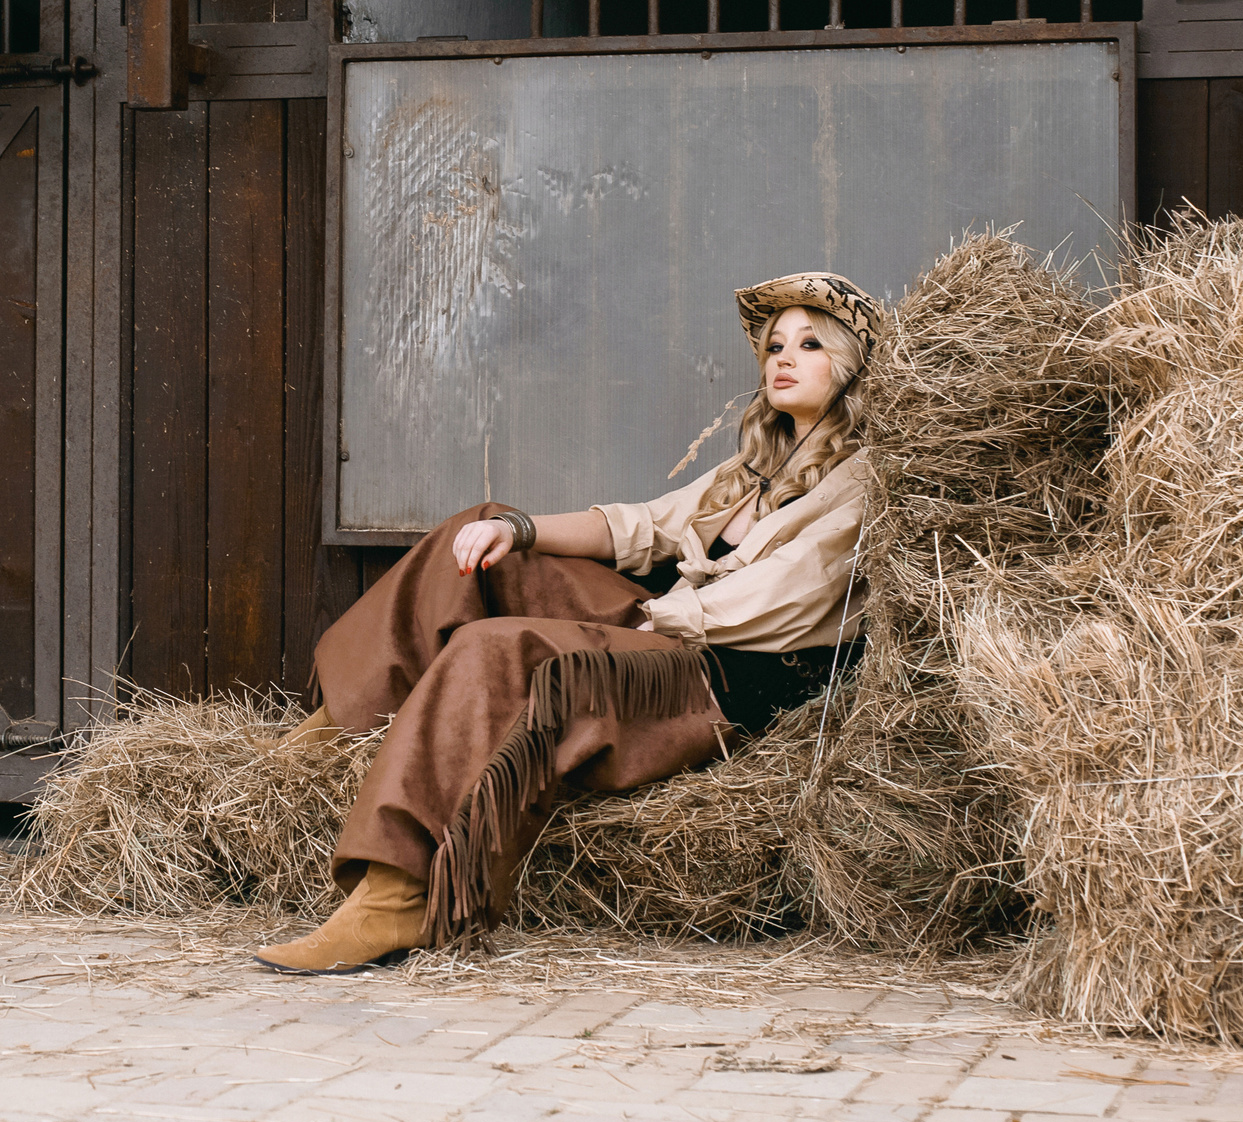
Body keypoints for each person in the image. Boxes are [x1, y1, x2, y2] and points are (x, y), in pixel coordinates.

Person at [252, 272, 881, 974]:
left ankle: (395, 895)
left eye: (809, 343)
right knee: (478, 532)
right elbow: (645, 527)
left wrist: (648, 621)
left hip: (718, 673)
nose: (781, 357)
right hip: (668, 624)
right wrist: (519, 530)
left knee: (497, 648)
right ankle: (340, 725)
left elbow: (786, 596)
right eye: (773, 345)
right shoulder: (756, 463)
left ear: (849, 365)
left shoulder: (864, 480)